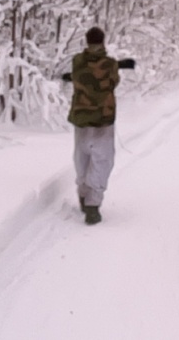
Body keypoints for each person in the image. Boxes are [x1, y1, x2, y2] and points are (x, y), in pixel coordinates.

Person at [67, 26, 120, 226]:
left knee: (82, 158)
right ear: (103, 41)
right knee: (102, 160)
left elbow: (78, 76)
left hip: (81, 119)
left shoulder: (77, 61)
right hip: (103, 120)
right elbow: (113, 82)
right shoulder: (110, 64)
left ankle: (83, 194)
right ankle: (93, 205)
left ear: (87, 41)